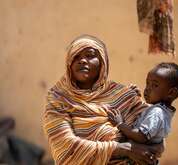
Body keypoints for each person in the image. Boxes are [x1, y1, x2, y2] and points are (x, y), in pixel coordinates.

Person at [42, 34, 164, 165]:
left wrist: (151, 149)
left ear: (102, 62)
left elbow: (155, 136)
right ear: (69, 64)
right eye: (75, 56)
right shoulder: (59, 99)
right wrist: (125, 149)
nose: (82, 60)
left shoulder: (124, 95)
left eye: (89, 55)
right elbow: (66, 146)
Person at [107, 62, 178, 163]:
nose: (148, 88)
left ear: (171, 93)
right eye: (147, 83)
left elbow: (141, 136)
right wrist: (134, 98)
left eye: (155, 85)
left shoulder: (157, 112)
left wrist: (120, 124)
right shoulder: (162, 111)